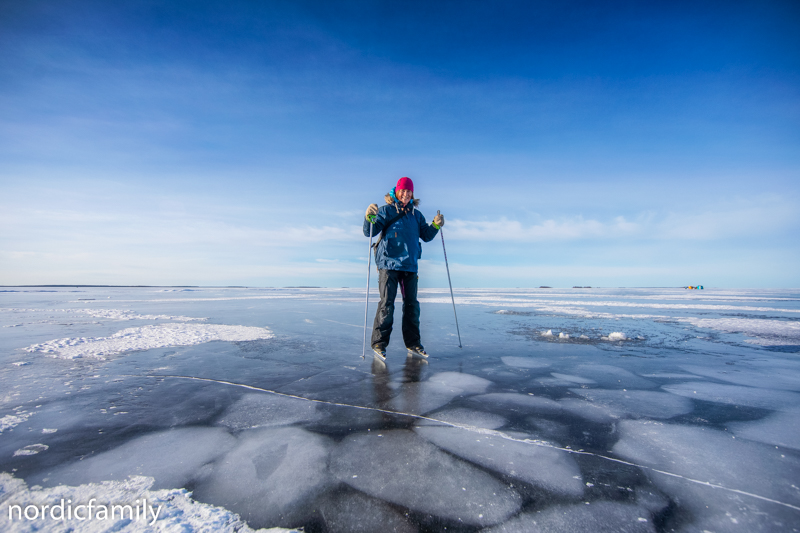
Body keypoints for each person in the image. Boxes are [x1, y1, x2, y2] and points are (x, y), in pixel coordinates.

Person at [364, 177, 444, 360]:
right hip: (388, 264)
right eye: (403, 191)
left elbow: (426, 235)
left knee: (412, 306)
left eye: (409, 192)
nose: (406, 194)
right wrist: (368, 217)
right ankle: (379, 344)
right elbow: (370, 231)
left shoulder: (417, 215)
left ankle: (413, 343)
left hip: (410, 265)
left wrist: (435, 225)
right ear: (397, 191)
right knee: (387, 305)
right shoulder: (386, 211)